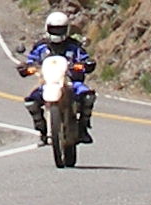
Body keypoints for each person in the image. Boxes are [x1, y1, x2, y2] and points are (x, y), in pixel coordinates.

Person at [18, 9, 96, 144]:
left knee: (88, 96)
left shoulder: (74, 46)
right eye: (54, 29)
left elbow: (84, 58)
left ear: (67, 29)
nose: (57, 33)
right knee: (31, 100)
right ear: (47, 28)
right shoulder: (41, 47)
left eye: (60, 29)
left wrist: (85, 65)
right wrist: (27, 67)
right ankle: (42, 130)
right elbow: (32, 60)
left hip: (70, 82)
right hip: (47, 82)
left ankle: (83, 127)